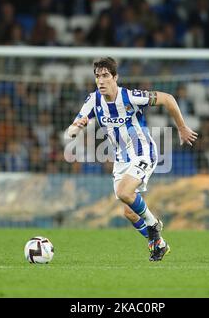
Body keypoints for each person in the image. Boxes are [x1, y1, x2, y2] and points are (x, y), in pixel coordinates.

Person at [67, 57, 198, 261]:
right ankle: (159, 245)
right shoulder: (93, 100)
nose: (101, 81)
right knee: (129, 212)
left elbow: (168, 99)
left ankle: (154, 225)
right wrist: (78, 126)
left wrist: (181, 127)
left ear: (115, 77)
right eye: (97, 76)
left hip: (143, 151)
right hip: (121, 158)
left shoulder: (130, 97)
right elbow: (71, 131)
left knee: (123, 192)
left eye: (105, 76)